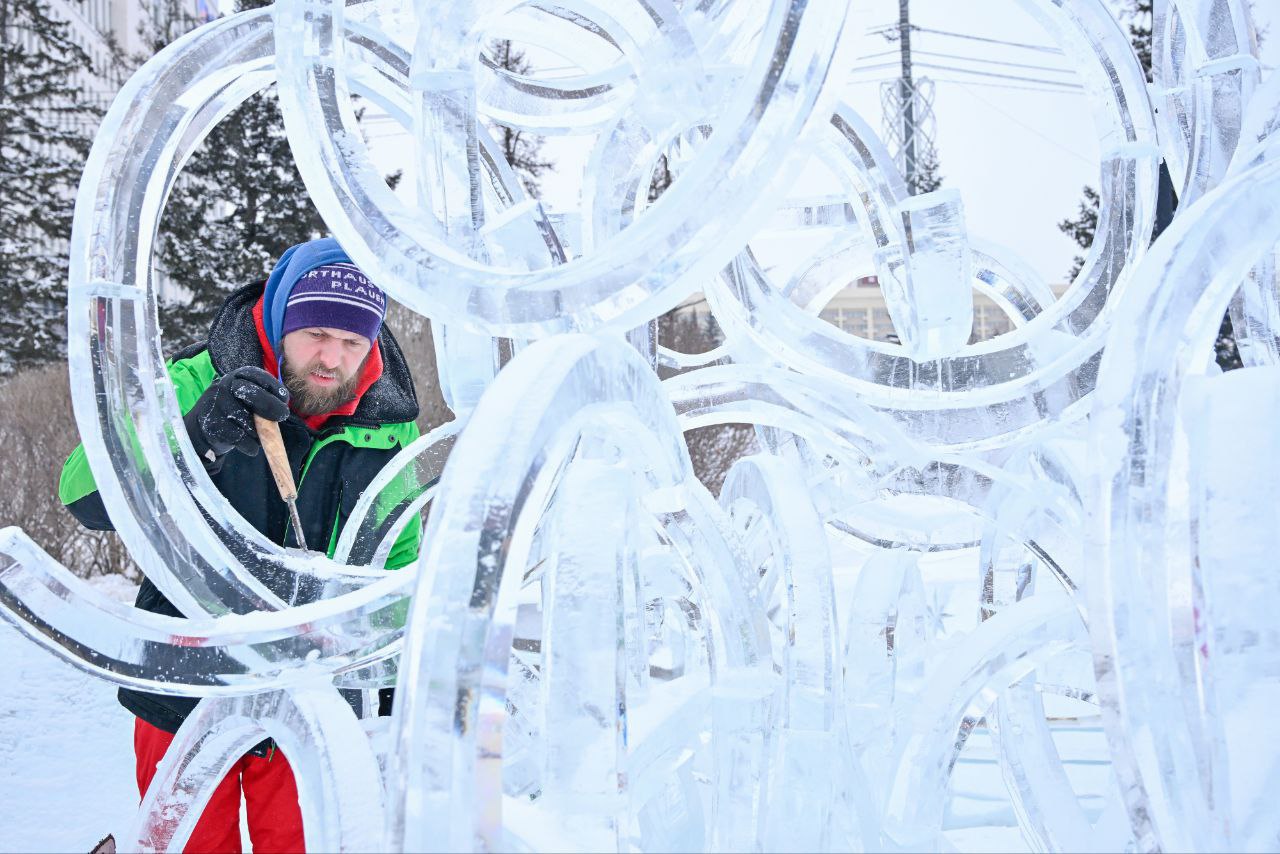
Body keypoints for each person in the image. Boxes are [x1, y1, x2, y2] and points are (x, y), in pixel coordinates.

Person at [58, 238, 422, 853]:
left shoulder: (388, 417)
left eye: (353, 342)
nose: (332, 360)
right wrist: (194, 435)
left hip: (311, 684)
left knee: (304, 843)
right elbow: (83, 494)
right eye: (317, 335)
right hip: (184, 677)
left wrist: (392, 667)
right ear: (283, 319)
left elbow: (400, 551)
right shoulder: (197, 375)